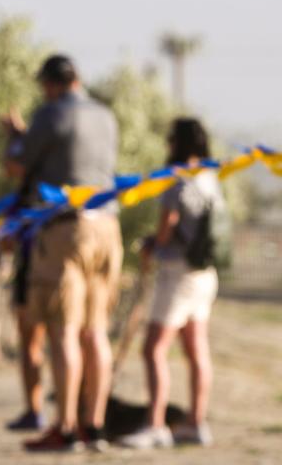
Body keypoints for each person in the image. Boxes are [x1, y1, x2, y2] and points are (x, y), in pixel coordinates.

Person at [4, 55, 121, 452]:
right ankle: (96, 426)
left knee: (63, 330)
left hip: (66, 229)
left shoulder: (51, 113)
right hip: (108, 227)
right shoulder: (105, 115)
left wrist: (16, 137)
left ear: (51, 85)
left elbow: (17, 166)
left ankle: (66, 427)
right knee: (96, 331)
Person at [118, 118, 221, 449]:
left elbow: (166, 231)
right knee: (196, 349)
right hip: (205, 275)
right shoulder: (211, 178)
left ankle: (156, 424)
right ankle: (196, 422)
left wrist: (151, 244)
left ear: (178, 144)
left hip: (177, 275)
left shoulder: (178, 181)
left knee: (154, 348)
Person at [1, 112, 48, 432]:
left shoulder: (31, 194)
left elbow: (15, 163)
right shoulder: (56, 181)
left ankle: (36, 410)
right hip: (39, 263)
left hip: (34, 266)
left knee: (34, 340)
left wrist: (16, 139)